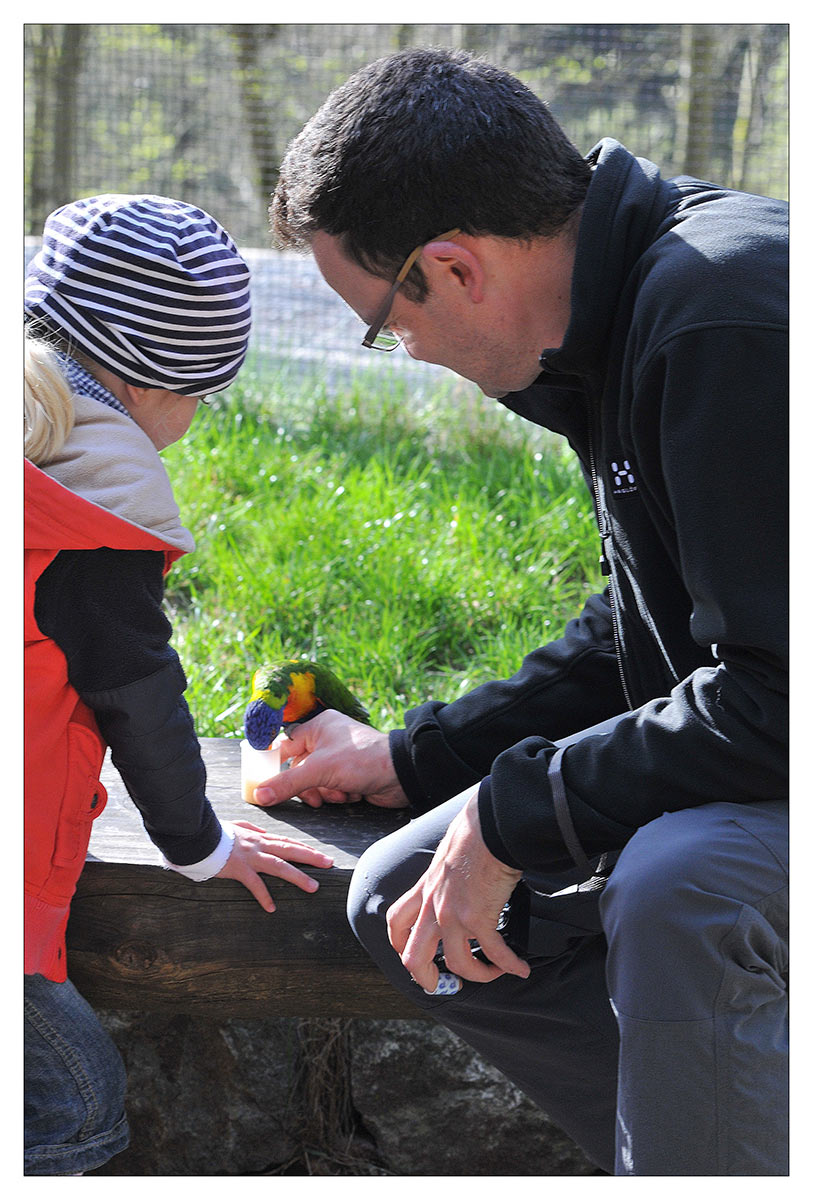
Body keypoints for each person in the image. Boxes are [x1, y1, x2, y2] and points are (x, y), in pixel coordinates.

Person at [260, 48, 789, 1176]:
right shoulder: (626, 316)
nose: (404, 354)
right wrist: (420, 757)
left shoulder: (726, 320)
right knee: (406, 897)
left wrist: (515, 814)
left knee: (679, 885)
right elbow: (649, 630)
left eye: (380, 324)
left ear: (451, 269)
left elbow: (782, 698)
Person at [24, 194, 334, 1176]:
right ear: (146, 382)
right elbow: (141, 701)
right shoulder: (90, 511)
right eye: (204, 394)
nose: (196, 422)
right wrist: (200, 846)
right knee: (71, 1107)